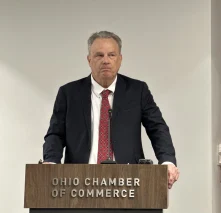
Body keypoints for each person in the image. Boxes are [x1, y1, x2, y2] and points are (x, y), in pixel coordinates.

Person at [43, 31, 179, 189]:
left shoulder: (137, 91)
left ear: (120, 59)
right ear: (89, 60)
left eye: (111, 55)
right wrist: (51, 162)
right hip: (79, 181)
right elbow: (56, 134)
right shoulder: (68, 93)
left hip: (129, 181)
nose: (105, 60)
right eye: (99, 55)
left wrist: (167, 161)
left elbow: (157, 128)